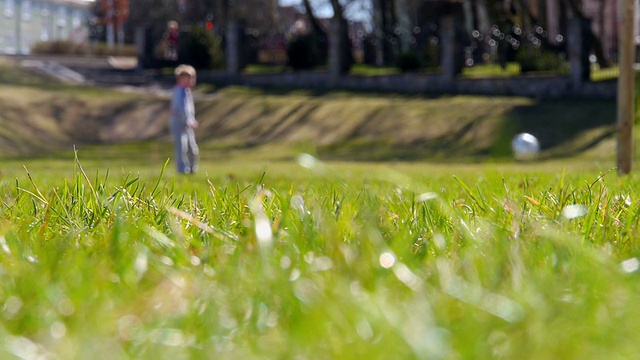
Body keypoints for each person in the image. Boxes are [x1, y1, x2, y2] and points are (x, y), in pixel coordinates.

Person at [170, 64, 199, 174]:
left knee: (193, 148)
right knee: (182, 148)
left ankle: (192, 168)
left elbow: (189, 109)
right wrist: (187, 121)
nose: (191, 80)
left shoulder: (187, 92)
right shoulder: (179, 91)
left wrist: (191, 120)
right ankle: (182, 169)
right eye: (188, 78)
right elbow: (180, 108)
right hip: (179, 123)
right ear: (181, 79)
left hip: (188, 123)